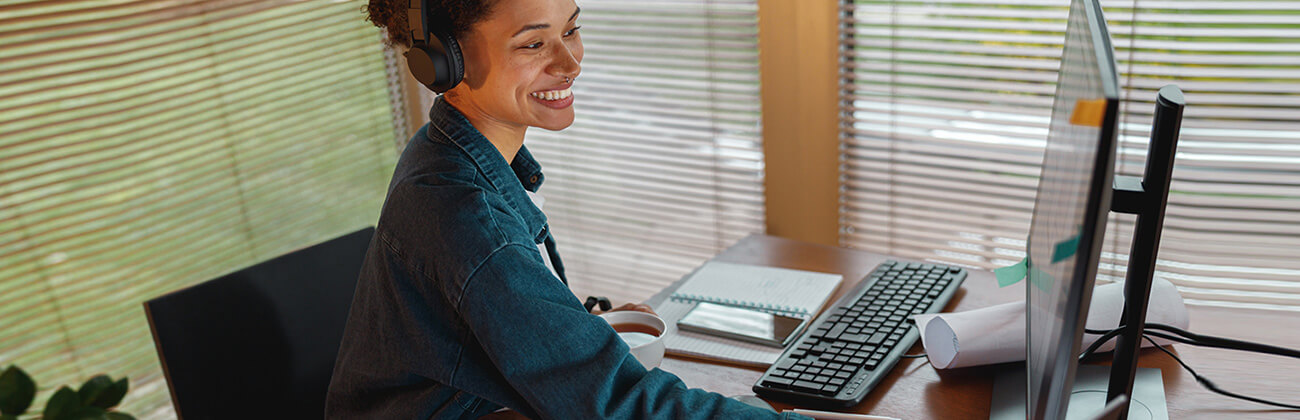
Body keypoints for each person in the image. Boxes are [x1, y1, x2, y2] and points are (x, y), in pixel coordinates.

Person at [326, 0, 810, 418]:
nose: (571, 62)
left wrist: (575, 328)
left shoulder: (450, 151)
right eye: (533, 45)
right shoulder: (468, 216)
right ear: (443, 61)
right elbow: (616, 405)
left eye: (571, 30)